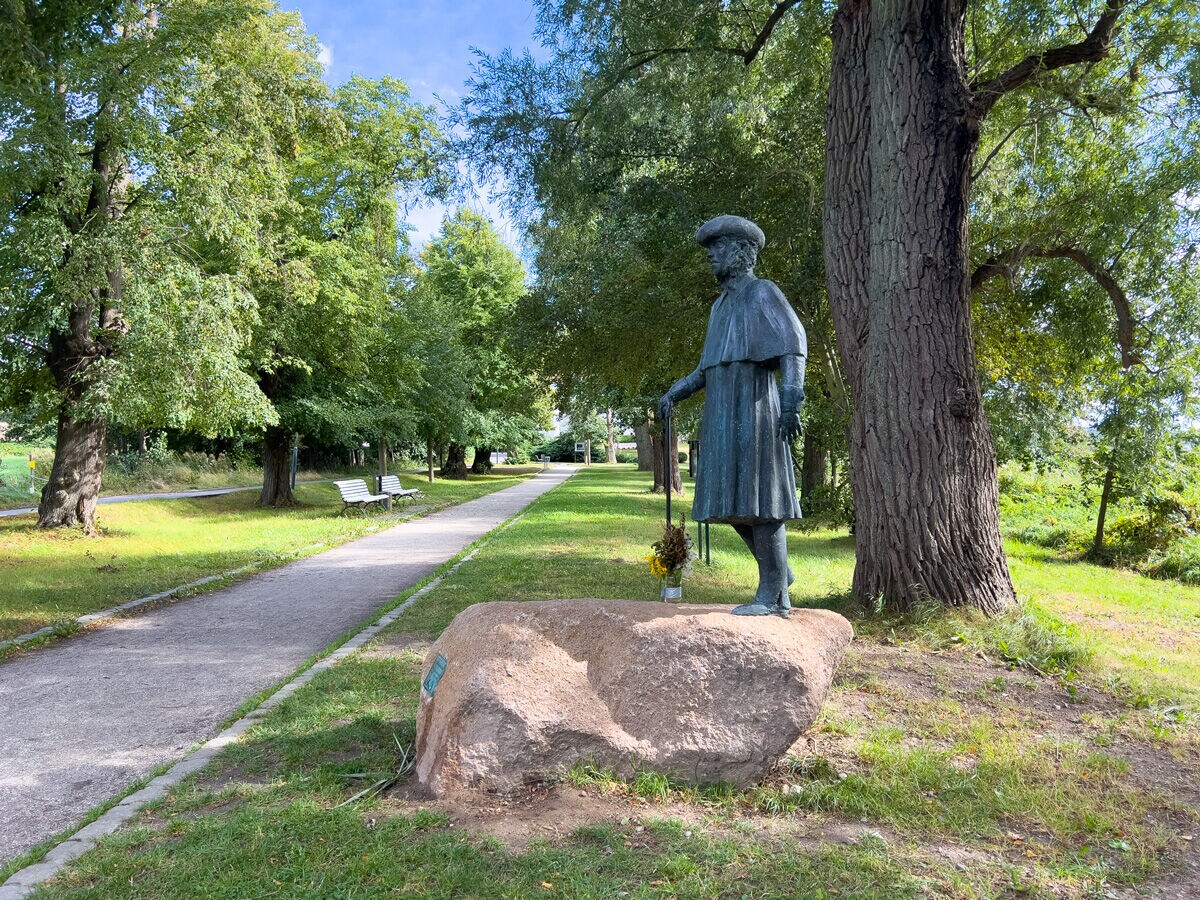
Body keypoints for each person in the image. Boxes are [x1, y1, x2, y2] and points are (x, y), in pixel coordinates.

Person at [657, 215, 807, 616]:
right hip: (722, 412)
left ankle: (773, 594)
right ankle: (779, 574)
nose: (711, 256)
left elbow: (793, 346)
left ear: (742, 252)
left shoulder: (762, 293)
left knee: (763, 500)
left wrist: (791, 400)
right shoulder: (719, 307)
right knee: (731, 500)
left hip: (755, 408)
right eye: (710, 249)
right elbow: (709, 368)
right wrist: (676, 391)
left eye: (718, 248)